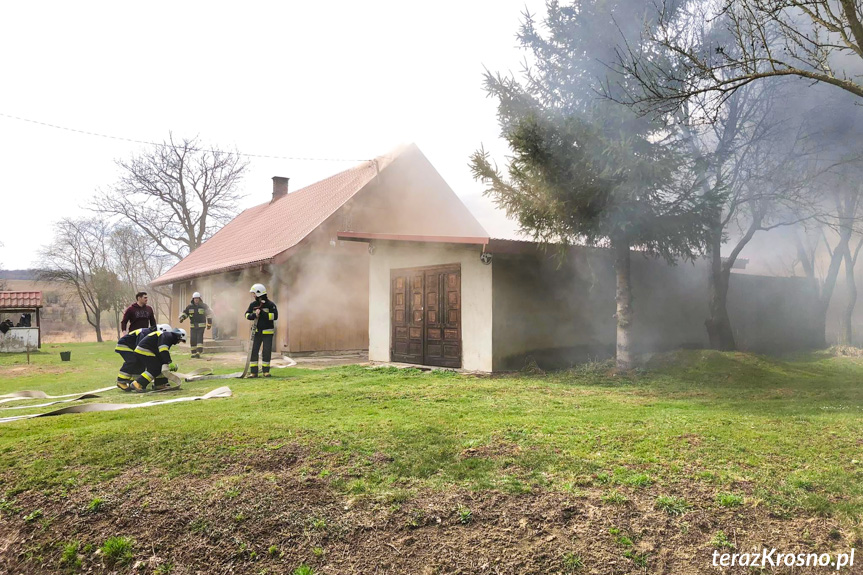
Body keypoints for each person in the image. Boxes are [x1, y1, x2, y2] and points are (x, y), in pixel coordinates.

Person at [114, 324, 170, 391]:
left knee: (142, 363)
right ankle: (121, 381)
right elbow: (140, 347)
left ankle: (136, 383)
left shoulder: (154, 335)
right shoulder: (145, 333)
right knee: (133, 361)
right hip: (125, 345)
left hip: (134, 347)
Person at [131, 325, 186, 392]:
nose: (178, 343)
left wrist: (165, 363)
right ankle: (138, 383)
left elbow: (161, 353)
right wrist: (169, 362)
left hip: (147, 350)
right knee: (154, 368)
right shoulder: (168, 336)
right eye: (180, 340)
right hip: (144, 350)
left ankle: (160, 384)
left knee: (160, 366)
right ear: (178, 336)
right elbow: (163, 351)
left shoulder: (168, 336)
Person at [245, 283, 278, 378]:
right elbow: (246, 315)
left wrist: (262, 313)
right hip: (256, 332)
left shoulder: (270, 305)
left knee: (266, 351)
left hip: (267, 332)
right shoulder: (253, 305)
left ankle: (266, 371)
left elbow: (275, 316)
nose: (253, 295)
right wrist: (254, 315)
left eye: (254, 293)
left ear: (259, 293)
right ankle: (253, 372)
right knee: (253, 351)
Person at [179, 291, 213, 358]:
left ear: (200, 299)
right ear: (193, 299)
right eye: (195, 298)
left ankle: (199, 352)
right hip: (193, 326)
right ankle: (193, 353)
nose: (196, 300)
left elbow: (209, 315)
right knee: (193, 339)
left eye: (197, 298)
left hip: (201, 326)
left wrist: (209, 324)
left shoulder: (204, 306)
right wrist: (182, 318)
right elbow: (185, 313)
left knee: (199, 339)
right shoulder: (190, 307)